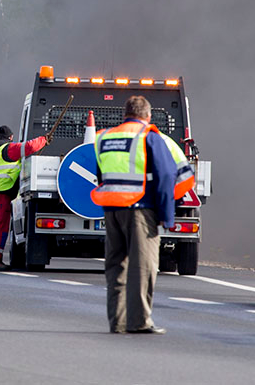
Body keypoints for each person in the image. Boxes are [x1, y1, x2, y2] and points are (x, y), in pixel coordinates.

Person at [92, 95, 176, 335]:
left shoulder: (105, 137)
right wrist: (165, 215)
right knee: (143, 268)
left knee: (115, 268)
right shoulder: (149, 136)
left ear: (125, 115)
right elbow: (166, 176)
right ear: (148, 116)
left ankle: (117, 323)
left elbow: (101, 175)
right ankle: (139, 322)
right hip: (140, 210)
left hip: (111, 210)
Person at [0, 125, 48, 271]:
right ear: (10, 137)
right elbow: (29, 147)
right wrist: (44, 140)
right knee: (0, 227)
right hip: (1, 195)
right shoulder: (8, 149)